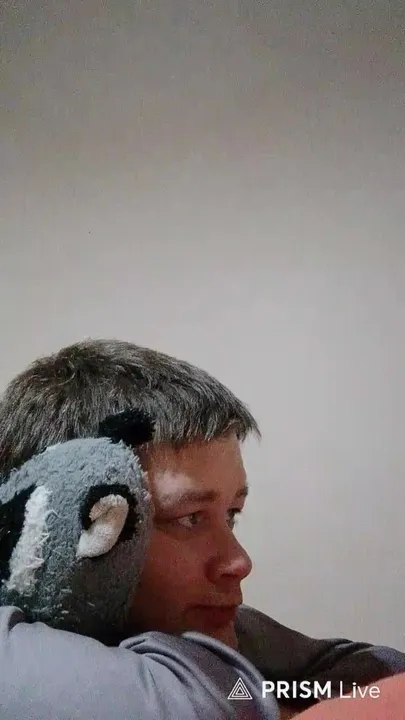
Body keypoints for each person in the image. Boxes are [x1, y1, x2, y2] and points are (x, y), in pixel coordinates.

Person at [0, 339, 404, 719]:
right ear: (62, 515)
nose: (239, 562)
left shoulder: (204, 625)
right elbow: (209, 705)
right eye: (190, 518)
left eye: (232, 514)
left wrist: (260, 693)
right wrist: (256, 694)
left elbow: (379, 673)